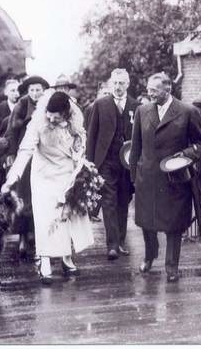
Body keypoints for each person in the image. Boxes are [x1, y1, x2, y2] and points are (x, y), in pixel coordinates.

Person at [2, 91, 94, 283]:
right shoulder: (38, 122)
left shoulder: (75, 120)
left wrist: (79, 170)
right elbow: (25, 150)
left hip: (67, 173)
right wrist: (12, 178)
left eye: (56, 116)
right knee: (46, 218)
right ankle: (44, 261)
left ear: (66, 113)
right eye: (49, 115)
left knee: (66, 215)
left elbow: (80, 147)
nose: (51, 119)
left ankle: (67, 259)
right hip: (44, 174)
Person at [129, 72, 201, 282]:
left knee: (174, 224)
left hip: (175, 178)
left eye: (154, 90)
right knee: (147, 222)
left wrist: (185, 156)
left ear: (168, 89)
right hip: (147, 178)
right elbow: (135, 146)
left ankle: (172, 266)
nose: (150, 94)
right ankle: (149, 255)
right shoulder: (141, 111)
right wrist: (133, 176)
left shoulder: (187, 111)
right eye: (149, 90)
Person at [86, 68, 139, 260]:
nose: (118, 87)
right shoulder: (100, 105)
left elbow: (139, 136)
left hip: (127, 163)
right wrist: (90, 163)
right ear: (110, 84)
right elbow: (91, 136)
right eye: (115, 83)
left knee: (123, 200)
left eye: (121, 83)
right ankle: (112, 245)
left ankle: (121, 241)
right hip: (106, 161)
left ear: (128, 84)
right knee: (108, 201)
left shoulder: (136, 106)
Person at [5, 75, 49, 258]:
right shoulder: (21, 106)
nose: (35, 93)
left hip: (43, 156)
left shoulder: (48, 104)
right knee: (23, 196)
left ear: (43, 90)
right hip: (25, 156)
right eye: (32, 90)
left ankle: (38, 235)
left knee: (41, 197)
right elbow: (11, 133)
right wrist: (11, 155)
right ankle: (23, 237)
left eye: (38, 89)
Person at [0, 79, 20, 191]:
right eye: (12, 90)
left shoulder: (23, 109)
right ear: (6, 92)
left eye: (18, 90)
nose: (16, 93)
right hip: (3, 156)